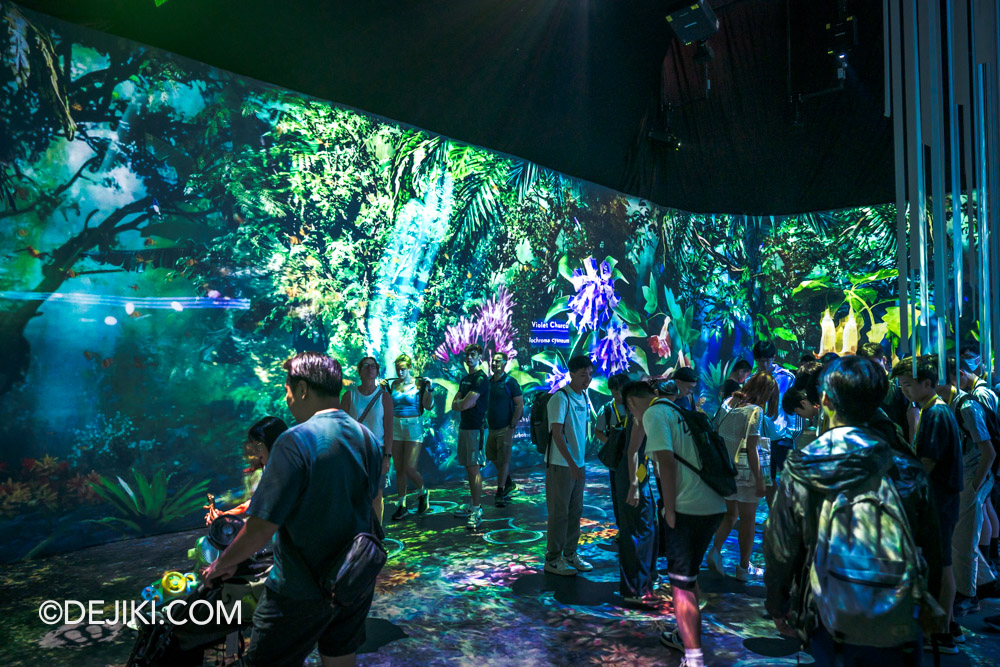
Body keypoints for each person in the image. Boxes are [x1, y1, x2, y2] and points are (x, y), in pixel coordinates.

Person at [202, 352, 382, 667]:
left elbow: (260, 527)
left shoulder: (293, 441)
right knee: (339, 658)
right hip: (353, 580)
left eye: (287, 391)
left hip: (300, 590)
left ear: (301, 389)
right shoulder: (367, 438)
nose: (286, 401)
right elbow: (371, 505)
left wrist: (222, 565)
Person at [764, 356, 943, 666]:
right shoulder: (907, 469)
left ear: (826, 400)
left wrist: (778, 605)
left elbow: (781, 546)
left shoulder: (805, 467)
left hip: (830, 618)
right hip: (897, 620)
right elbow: (932, 550)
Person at [623, 380, 725, 667]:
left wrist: (668, 507)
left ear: (632, 404)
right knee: (688, 578)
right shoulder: (676, 410)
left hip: (688, 508)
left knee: (680, 585)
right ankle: (685, 636)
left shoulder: (654, 414)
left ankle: (693, 658)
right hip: (713, 504)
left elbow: (665, 462)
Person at [892, 355, 964, 654]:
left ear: (927, 383)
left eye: (908, 385)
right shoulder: (932, 410)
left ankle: (943, 632)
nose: (904, 390)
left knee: (942, 565)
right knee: (940, 563)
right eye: (901, 385)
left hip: (940, 500)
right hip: (942, 499)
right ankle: (947, 627)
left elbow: (927, 463)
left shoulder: (935, 414)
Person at [938, 357, 997, 616]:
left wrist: (975, 485)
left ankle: (969, 595)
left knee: (965, 541)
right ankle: (981, 584)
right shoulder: (952, 404)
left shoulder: (966, 406)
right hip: (966, 478)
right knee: (961, 539)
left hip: (974, 478)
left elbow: (989, 452)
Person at [707, 372, 777, 581]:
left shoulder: (729, 401)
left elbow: (717, 430)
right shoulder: (754, 411)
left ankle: (715, 550)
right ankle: (744, 568)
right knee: (748, 519)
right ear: (765, 392)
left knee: (730, 514)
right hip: (746, 472)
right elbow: (752, 448)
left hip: (727, 470)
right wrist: (760, 480)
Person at [544, 354, 594, 576]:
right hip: (561, 464)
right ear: (571, 373)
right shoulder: (560, 398)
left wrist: (579, 463)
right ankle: (553, 558)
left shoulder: (583, 397)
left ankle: (570, 553)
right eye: (583, 375)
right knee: (559, 512)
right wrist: (572, 463)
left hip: (578, 464)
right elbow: (557, 433)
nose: (587, 379)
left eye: (590, 374)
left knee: (575, 511)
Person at [618, 380, 658, 603]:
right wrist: (634, 486)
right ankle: (634, 590)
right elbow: (632, 451)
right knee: (637, 532)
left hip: (640, 477)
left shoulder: (644, 414)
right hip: (633, 479)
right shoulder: (638, 417)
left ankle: (641, 584)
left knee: (645, 530)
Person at [205, 416, 288, 524]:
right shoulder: (271, 469)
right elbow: (256, 502)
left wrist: (224, 517)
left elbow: (259, 506)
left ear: (272, 443)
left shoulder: (286, 472)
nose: (256, 454)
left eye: (258, 447)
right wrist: (223, 515)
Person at [341, 357, 394, 522]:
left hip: (377, 451)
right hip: (354, 451)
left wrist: (387, 456)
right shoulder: (350, 396)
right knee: (356, 493)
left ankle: (377, 533)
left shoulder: (384, 397)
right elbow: (341, 428)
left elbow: (389, 429)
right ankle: (359, 532)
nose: (370, 368)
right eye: (366, 365)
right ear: (359, 371)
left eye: (373, 366)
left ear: (377, 371)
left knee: (377, 493)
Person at [388, 353, 433, 520]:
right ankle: (402, 504)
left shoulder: (418, 384)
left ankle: (423, 492)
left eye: (403, 369)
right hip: (396, 425)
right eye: (398, 369)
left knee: (410, 468)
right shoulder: (393, 385)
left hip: (413, 426)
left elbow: (428, 406)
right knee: (399, 468)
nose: (400, 373)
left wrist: (430, 389)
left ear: (409, 368)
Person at [451, 343, 491, 529]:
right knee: (469, 468)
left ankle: (477, 510)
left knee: (474, 469)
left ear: (479, 357)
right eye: (467, 354)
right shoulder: (466, 379)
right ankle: (473, 504)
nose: (468, 357)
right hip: (465, 427)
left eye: (472, 354)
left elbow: (465, 404)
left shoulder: (481, 379)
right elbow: (455, 404)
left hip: (477, 429)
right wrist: (462, 403)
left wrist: (462, 403)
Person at [858, 341, 918, 442]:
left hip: (898, 448)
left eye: (874, 364)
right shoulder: (862, 388)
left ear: (884, 360)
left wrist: (912, 451)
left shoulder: (898, 384)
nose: (871, 370)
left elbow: (914, 418)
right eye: (865, 366)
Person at [485, 351, 524, 508]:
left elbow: (519, 404)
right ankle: (507, 482)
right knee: (491, 455)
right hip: (492, 428)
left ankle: (500, 492)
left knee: (504, 459)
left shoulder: (510, 382)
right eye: (493, 361)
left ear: (505, 363)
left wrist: (513, 424)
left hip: (505, 428)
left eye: (498, 361)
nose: (495, 363)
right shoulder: (488, 382)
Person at [596, 373, 630, 533]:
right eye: (614, 391)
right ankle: (622, 528)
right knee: (617, 493)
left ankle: (633, 526)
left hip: (634, 456)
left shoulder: (636, 407)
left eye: (621, 391)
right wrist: (612, 444)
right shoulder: (607, 409)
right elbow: (598, 432)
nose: (618, 395)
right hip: (616, 459)